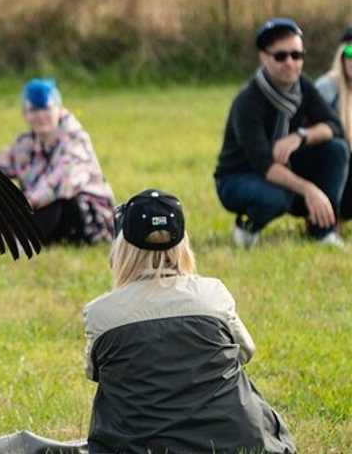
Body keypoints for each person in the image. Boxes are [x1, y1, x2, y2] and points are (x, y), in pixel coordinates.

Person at [83, 189, 296, 454]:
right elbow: (245, 352)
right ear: (183, 242)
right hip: (232, 441)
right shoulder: (214, 294)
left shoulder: (100, 313)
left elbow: (94, 373)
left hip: (137, 445)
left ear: (121, 248)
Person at [214, 17, 349, 248]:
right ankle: (246, 226)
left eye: (296, 55)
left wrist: (300, 136)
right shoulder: (248, 101)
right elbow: (263, 164)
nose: (290, 63)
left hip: (283, 168)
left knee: (336, 150)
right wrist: (310, 190)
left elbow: (333, 126)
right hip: (238, 177)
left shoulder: (303, 87)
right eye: (281, 56)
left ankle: (323, 231)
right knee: (278, 195)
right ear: (263, 57)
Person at [0, 79, 114, 245]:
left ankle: (16, 241)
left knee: (54, 202)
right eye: (34, 110)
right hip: (41, 214)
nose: (40, 116)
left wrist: (20, 208)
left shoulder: (75, 140)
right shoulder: (24, 144)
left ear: (59, 109)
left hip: (89, 220)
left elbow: (60, 184)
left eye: (46, 108)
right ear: (25, 114)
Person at [315, 25, 352, 220]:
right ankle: (326, 218)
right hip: (327, 163)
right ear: (341, 56)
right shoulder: (326, 87)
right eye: (350, 52)